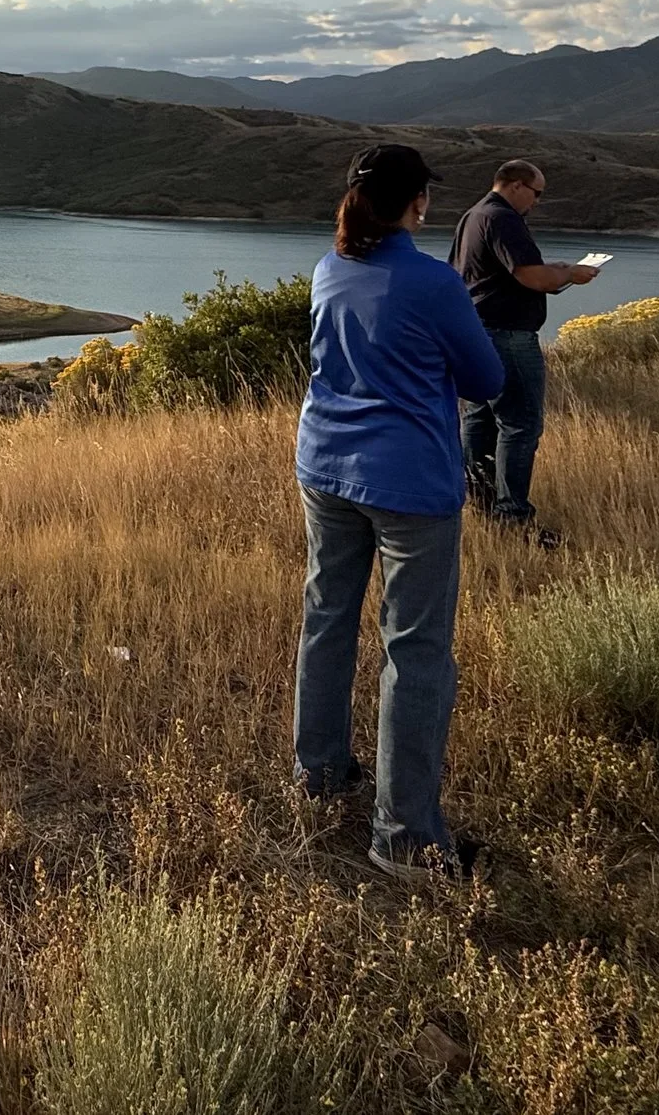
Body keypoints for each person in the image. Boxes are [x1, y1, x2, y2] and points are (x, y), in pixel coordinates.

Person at [295, 142, 504, 880]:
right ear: (416, 202)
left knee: (327, 616)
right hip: (410, 483)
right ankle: (405, 838)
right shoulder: (434, 282)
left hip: (323, 464)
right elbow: (486, 377)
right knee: (414, 651)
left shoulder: (329, 268)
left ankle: (317, 773)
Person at [447, 159, 597, 546]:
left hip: (476, 331)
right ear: (515, 186)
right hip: (508, 335)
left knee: (479, 419)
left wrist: (558, 270)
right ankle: (513, 517)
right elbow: (530, 276)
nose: (538, 202)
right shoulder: (503, 219)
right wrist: (570, 273)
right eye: (537, 194)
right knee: (520, 423)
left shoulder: (473, 216)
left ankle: (481, 506)